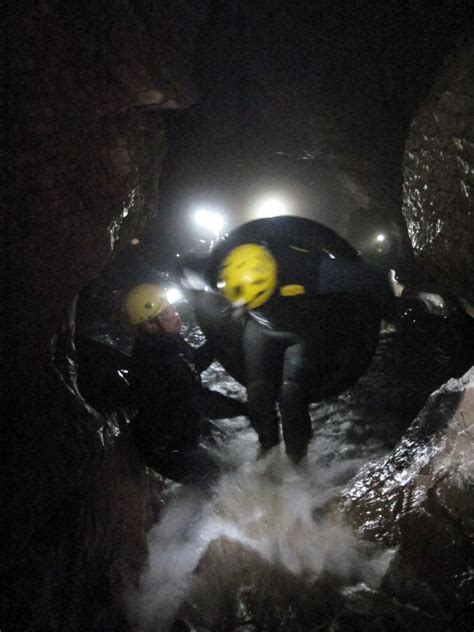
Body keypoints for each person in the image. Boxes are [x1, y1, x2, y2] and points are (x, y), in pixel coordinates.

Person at [178, 216, 400, 465]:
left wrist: (403, 303)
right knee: (258, 393)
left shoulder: (306, 270)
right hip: (261, 331)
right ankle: (268, 447)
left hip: (304, 332)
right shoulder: (223, 277)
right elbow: (186, 274)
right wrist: (181, 277)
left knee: (291, 395)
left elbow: (373, 278)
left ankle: (297, 459)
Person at [124, 283, 246, 485]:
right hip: (166, 448)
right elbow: (201, 401)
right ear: (149, 325)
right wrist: (247, 409)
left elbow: (192, 363)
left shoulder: (165, 339)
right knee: (219, 482)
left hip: (182, 422)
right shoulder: (155, 362)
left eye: (171, 308)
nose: (175, 315)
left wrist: (214, 344)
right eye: (165, 315)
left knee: (226, 448)